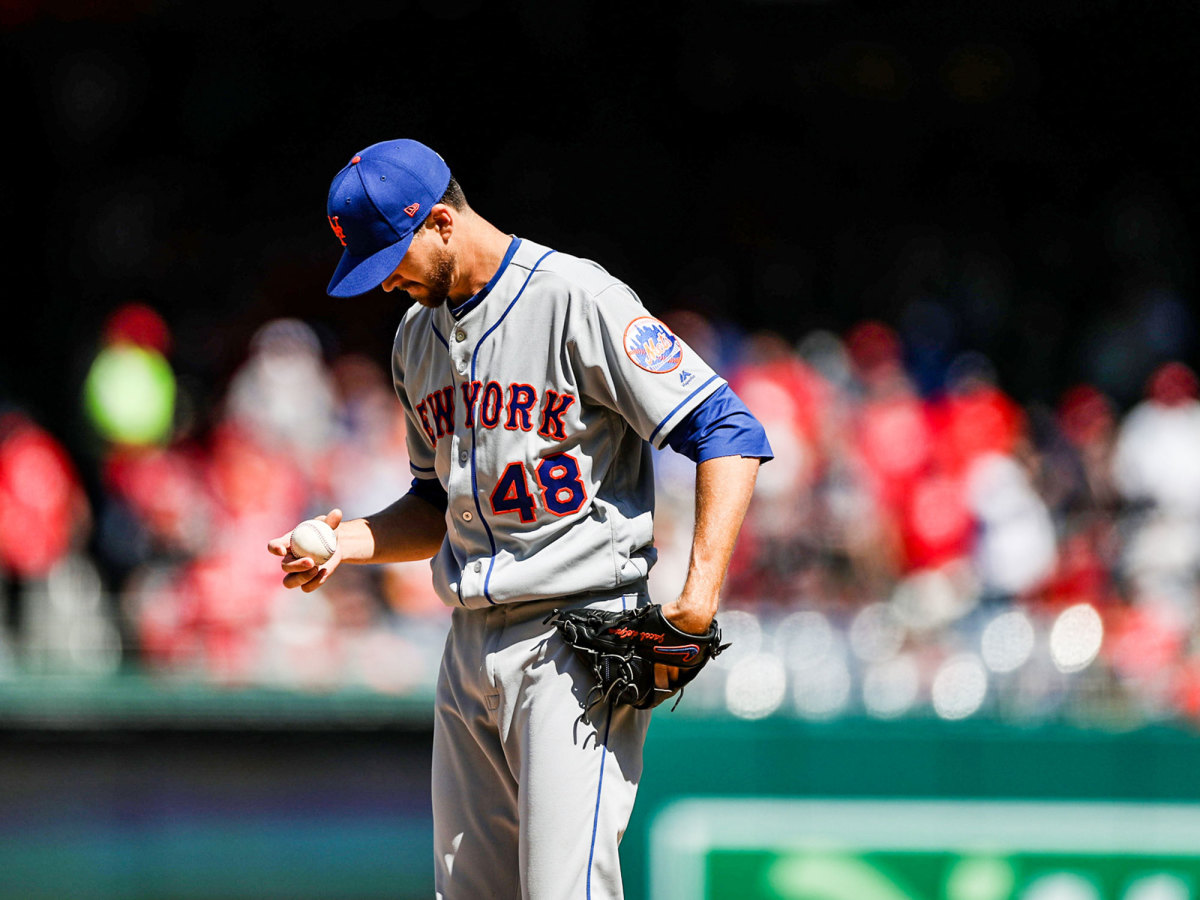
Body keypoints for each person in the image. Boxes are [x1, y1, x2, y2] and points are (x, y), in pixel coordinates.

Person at [268, 139, 772, 899]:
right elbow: (436, 506)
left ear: (441, 221)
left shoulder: (575, 296)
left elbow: (728, 431)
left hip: (575, 638)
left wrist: (698, 599)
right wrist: (342, 542)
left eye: (393, 257)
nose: (387, 283)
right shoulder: (415, 340)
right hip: (467, 646)